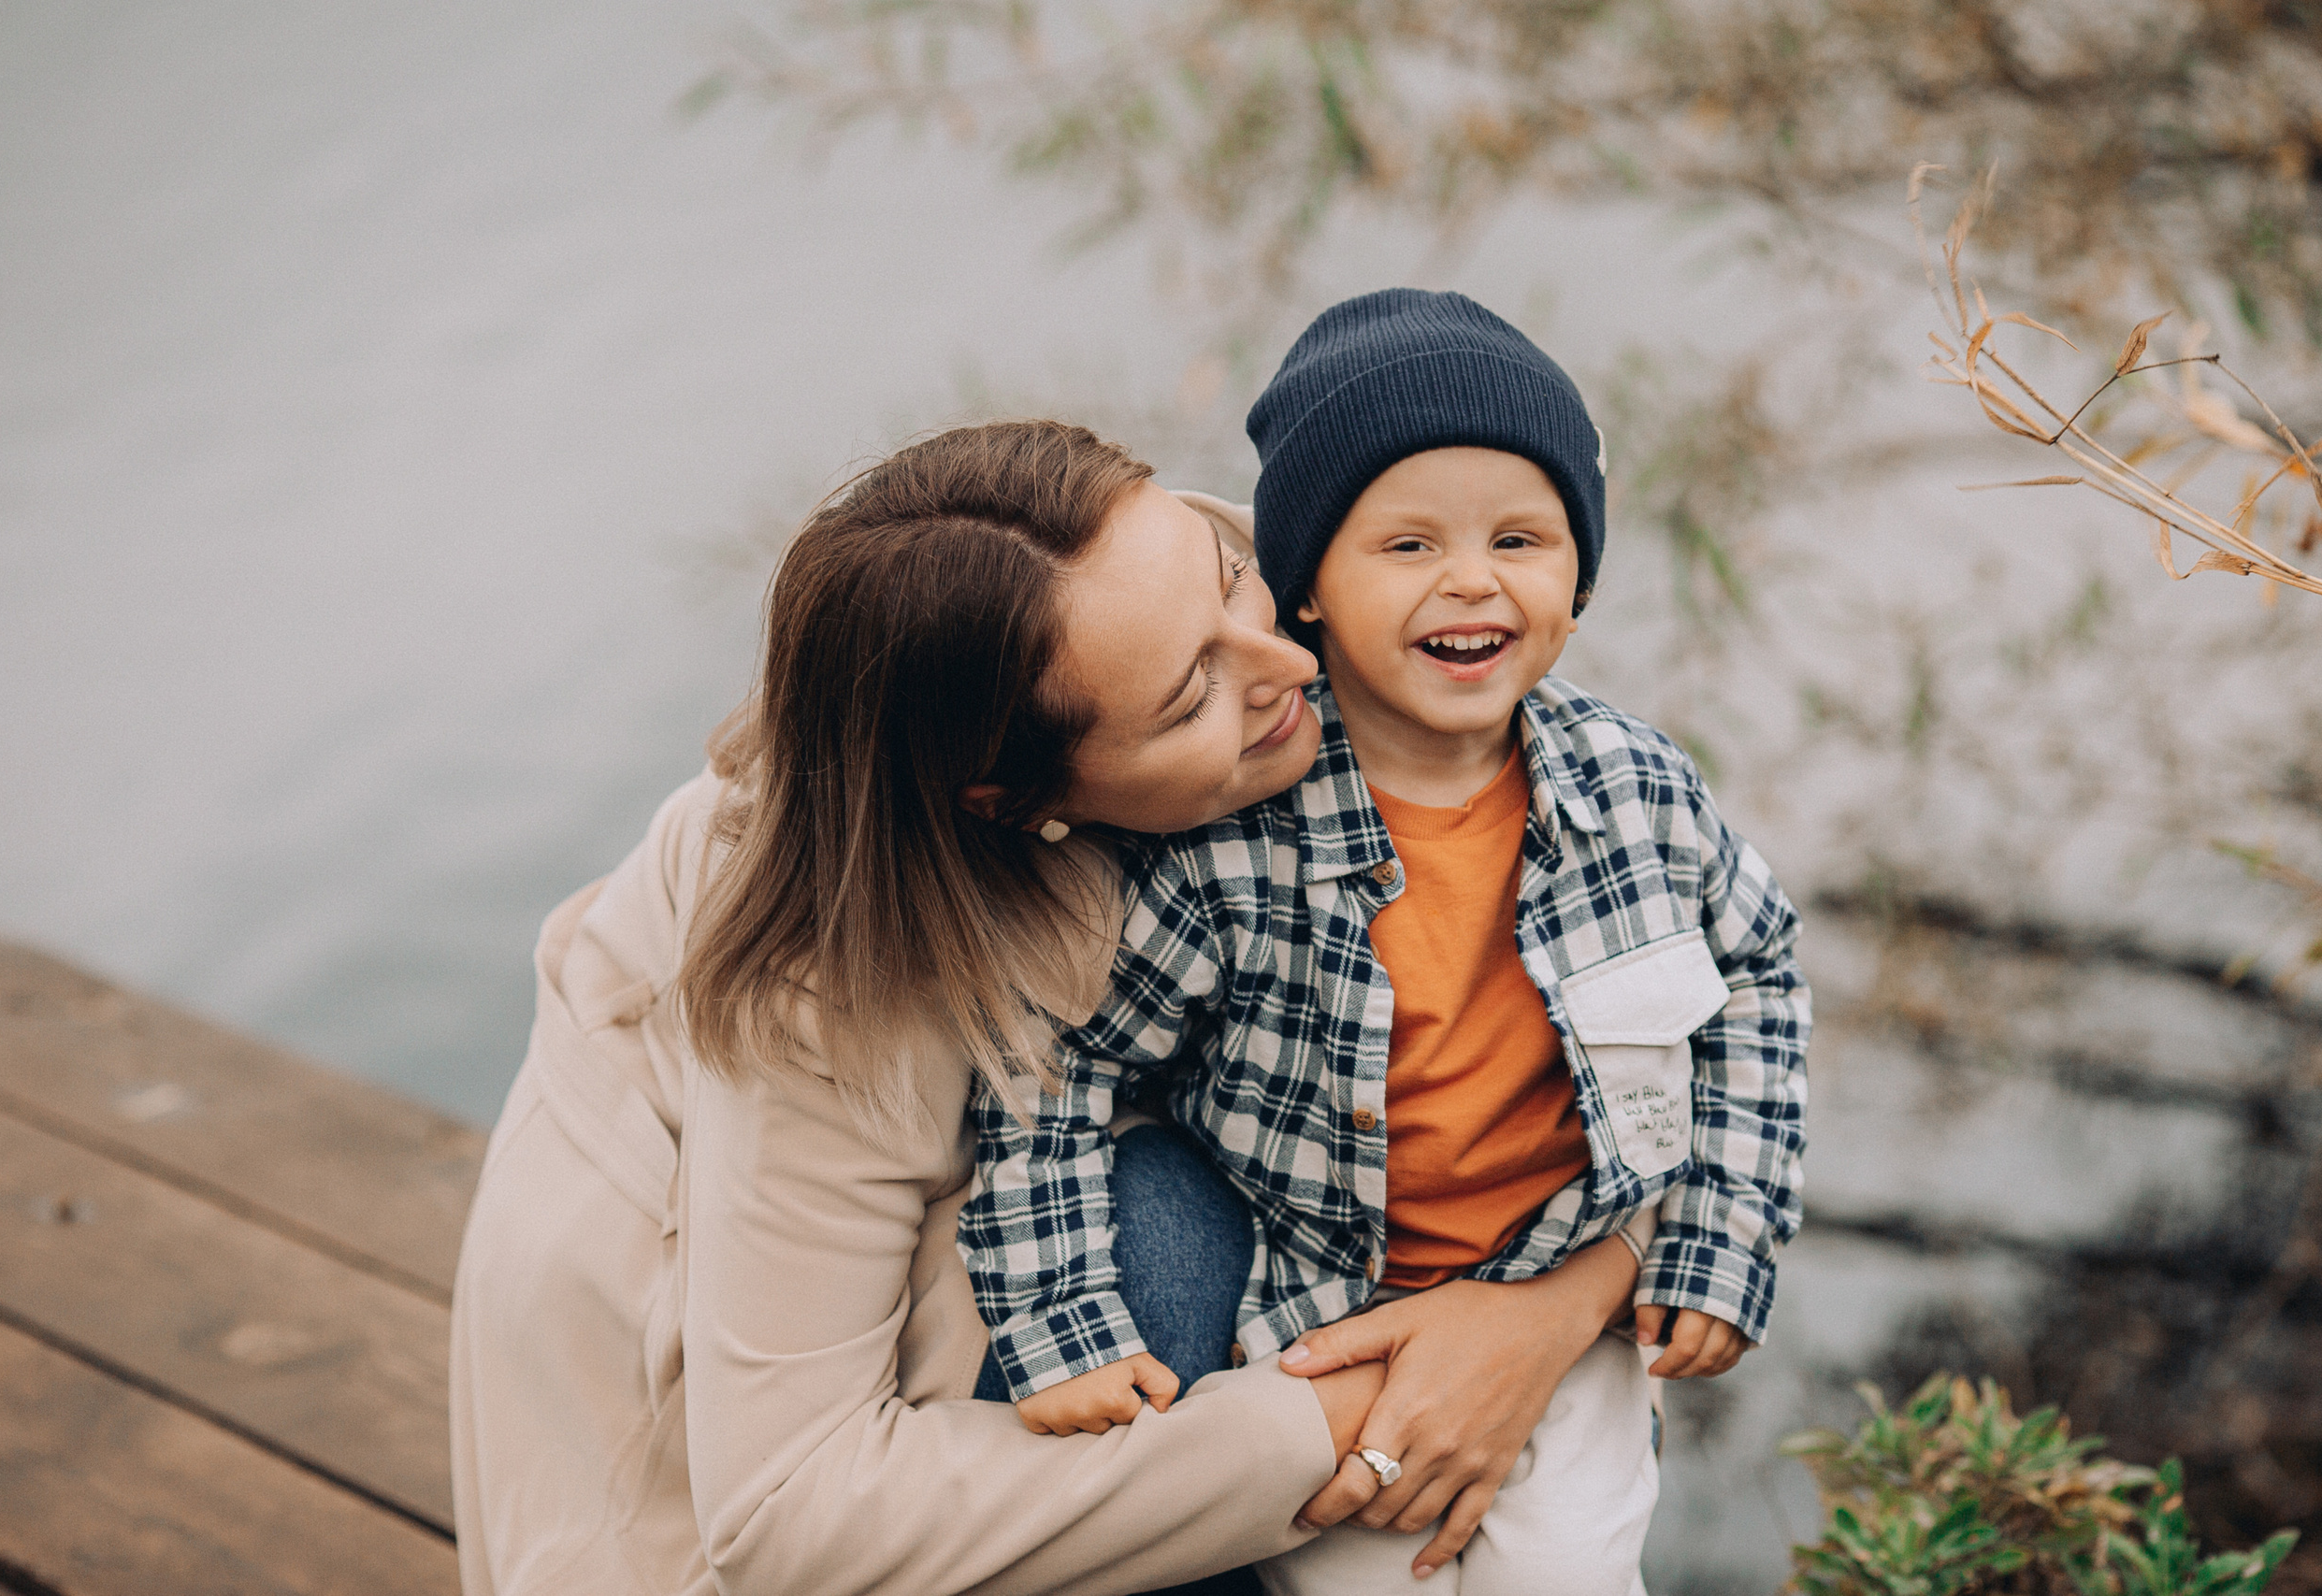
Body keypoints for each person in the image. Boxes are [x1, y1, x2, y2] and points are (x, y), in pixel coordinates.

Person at [448, 418, 1646, 1596]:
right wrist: (1352, 1415)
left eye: (1227, 577)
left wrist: (1548, 1312)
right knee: (1161, 1241)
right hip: (694, 1486)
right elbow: (784, 1518)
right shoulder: (829, 989)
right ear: (1018, 800)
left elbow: (1653, 985)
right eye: (1190, 701)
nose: (1286, 666)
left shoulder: (1307, 584)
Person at [962, 293, 1812, 1591]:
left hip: (1566, 1277)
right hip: (1320, 1310)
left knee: (1571, 1575)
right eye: (1408, 542)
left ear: (1576, 582)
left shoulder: (1640, 789)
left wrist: (1721, 1227)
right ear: (1306, 589)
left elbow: (1756, 974)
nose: (1471, 579)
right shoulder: (1229, 848)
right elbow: (1053, 1068)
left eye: (1520, 538)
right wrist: (1059, 1312)